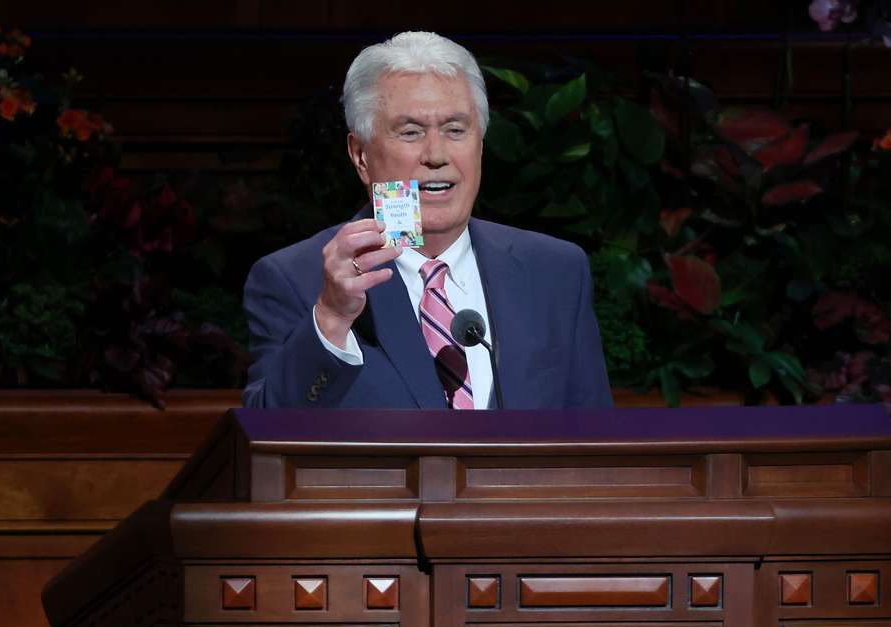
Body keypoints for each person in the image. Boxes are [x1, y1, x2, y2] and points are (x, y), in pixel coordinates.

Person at [242, 31, 613, 409]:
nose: (436, 154)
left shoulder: (555, 272)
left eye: (455, 130)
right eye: (411, 132)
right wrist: (332, 318)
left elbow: (597, 442)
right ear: (360, 156)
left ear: (480, 145)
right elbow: (267, 437)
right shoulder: (294, 280)